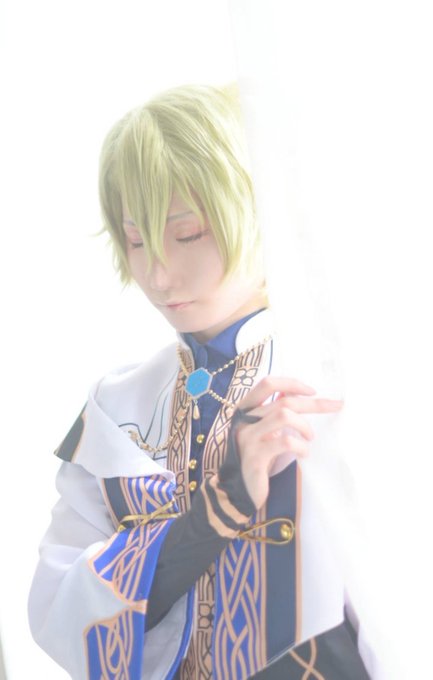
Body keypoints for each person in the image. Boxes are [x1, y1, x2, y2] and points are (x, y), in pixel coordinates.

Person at [28, 84, 372, 679]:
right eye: (137, 241)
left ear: (255, 210)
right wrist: (214, 513)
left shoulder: (338, 382)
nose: (159, 275)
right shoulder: (116, 410)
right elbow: (61, 611)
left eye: (187, 234)